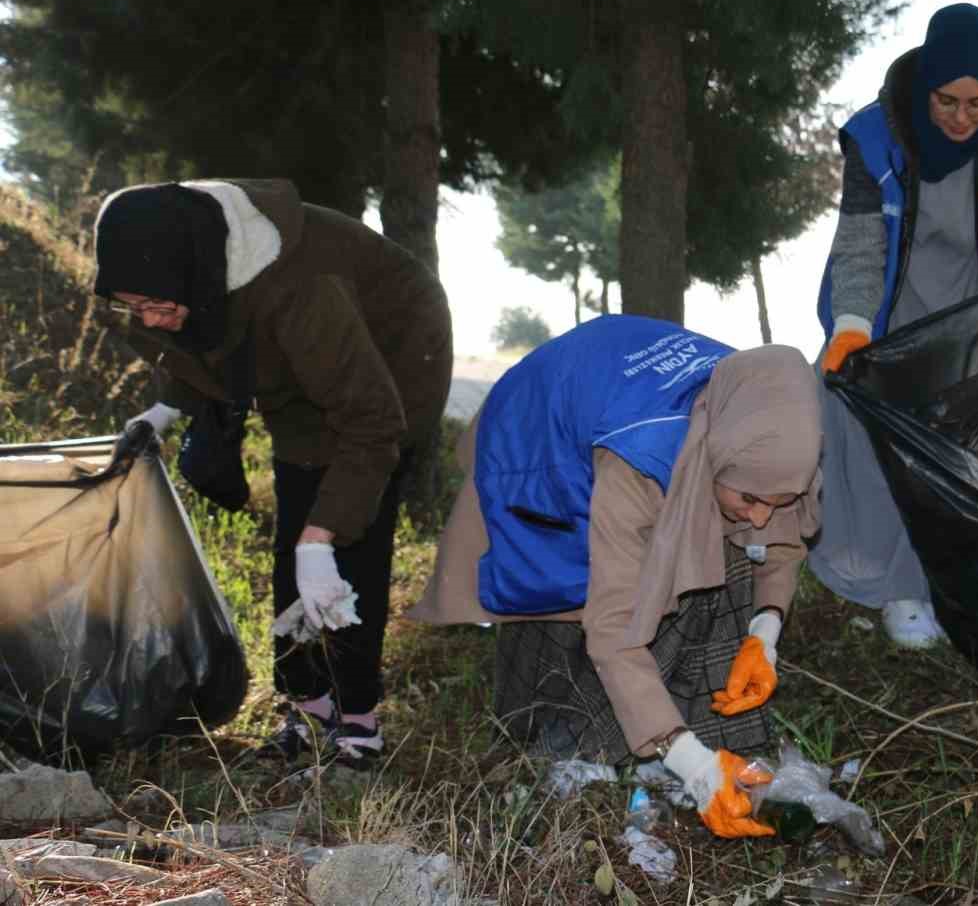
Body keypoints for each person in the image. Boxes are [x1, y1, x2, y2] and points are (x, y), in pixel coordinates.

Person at [409, 316, 822, 840]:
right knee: (567, 593)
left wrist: (764, 636)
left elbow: (780, 541)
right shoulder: (638, 464)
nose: (763, 516)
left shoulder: (767, 418)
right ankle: (575, 745)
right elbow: (612, 630)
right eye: (751, 498)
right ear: (711, 461)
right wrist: (692, 765)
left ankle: (676, 731)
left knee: (731, 552)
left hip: (626, 401)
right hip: (541, 439)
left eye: (778, 501)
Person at [94, 179, 452, 769]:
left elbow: (372, 420)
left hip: (392, 356)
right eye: (136, 307)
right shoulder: (188, 270)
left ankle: (358, 722)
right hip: (297, 362)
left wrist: (323, 536)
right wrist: (164, 410)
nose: (148, 321)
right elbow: (208, 342)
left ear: (198, 277)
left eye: (158, 306)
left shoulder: (301, 288)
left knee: (345, 548)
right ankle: (307, 709)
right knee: (295, 525)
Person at [810, 2, 978, 648]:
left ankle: (958, 584)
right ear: (926, 85)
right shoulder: (876, 134)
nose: (963, 118)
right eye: (948, 101)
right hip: (887, 311)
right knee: (880, 441)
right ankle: (895, 590)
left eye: (977, 102)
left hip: (972, 305)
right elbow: (861, 248)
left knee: (967, 446)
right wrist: (851, 326)